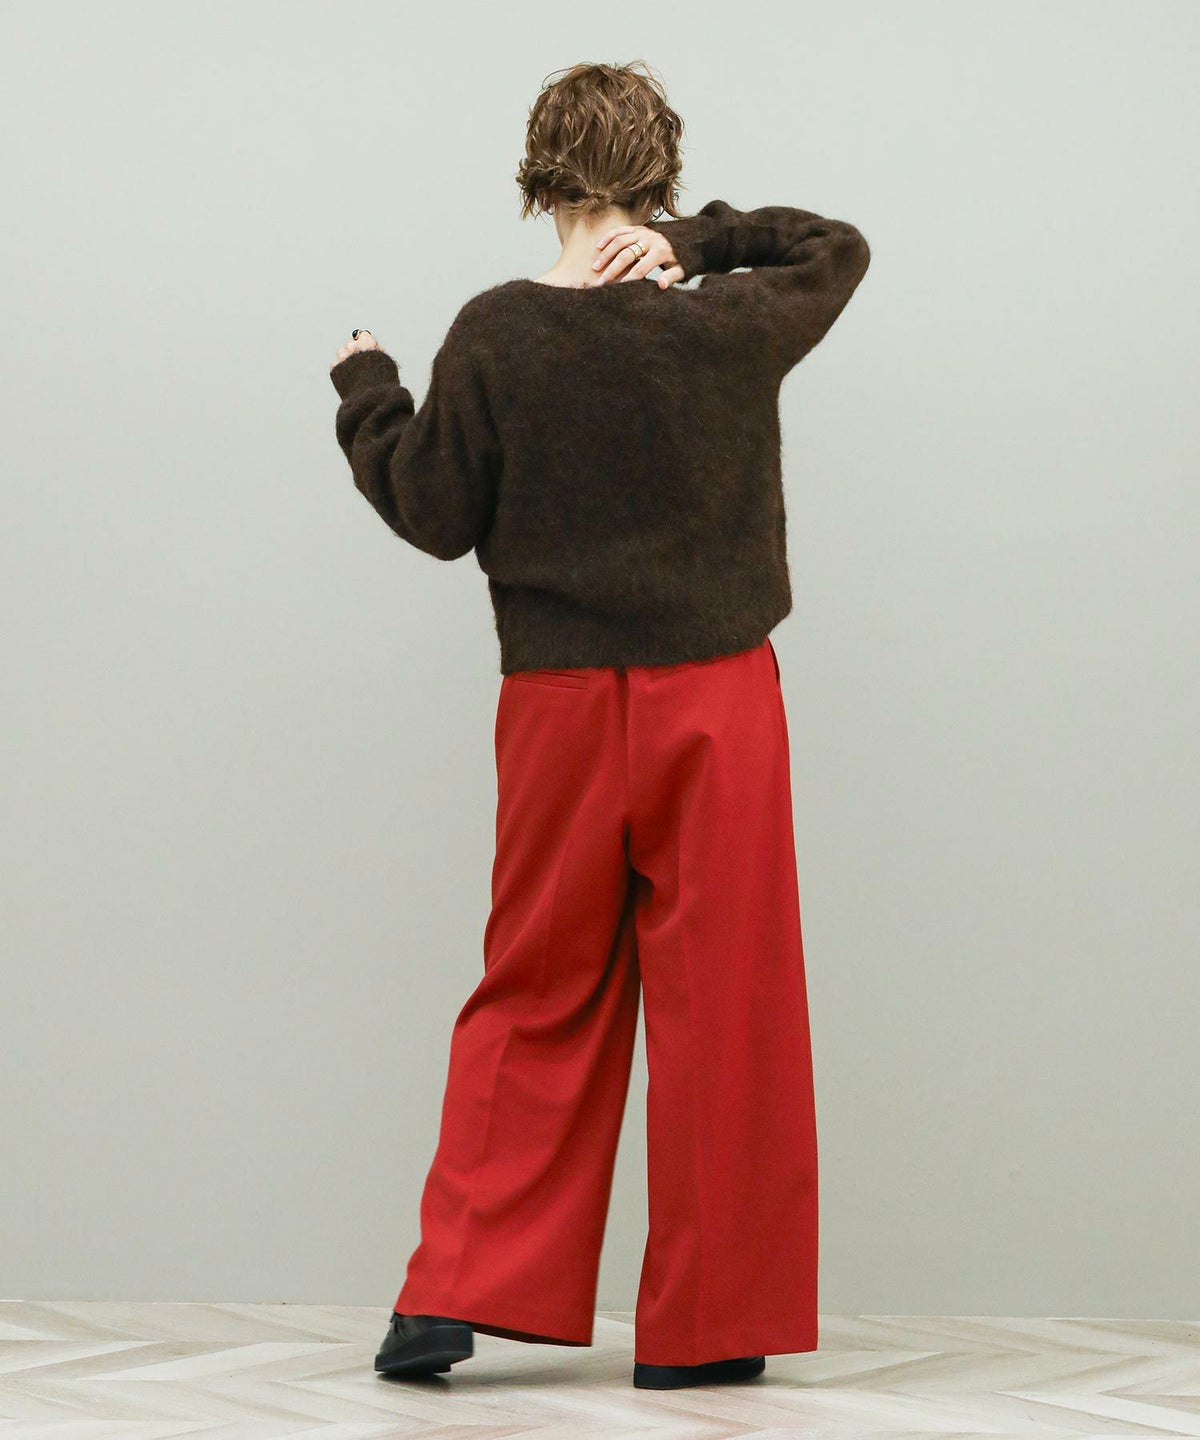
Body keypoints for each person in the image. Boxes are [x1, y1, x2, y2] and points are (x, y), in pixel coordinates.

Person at [327, 59, 870, 1391]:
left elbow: (434, 515)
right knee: (729, 1000)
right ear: (659, 176)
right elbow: (834, 246)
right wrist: (697, 247)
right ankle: (712, 1328)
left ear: (538, 181)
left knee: (536, 983)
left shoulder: (498, 334)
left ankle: (451, 1295)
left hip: (559, 705)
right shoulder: (730, 321)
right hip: (718, 697)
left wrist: (368, 390)